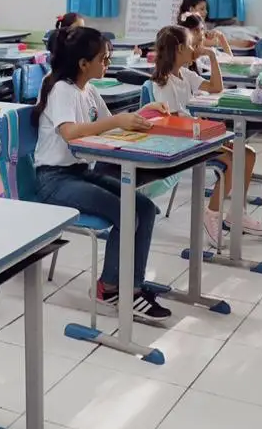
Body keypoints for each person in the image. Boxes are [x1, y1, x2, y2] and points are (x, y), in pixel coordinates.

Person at [32, 26, 171, 320]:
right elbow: (70, 133)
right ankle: (109, 289)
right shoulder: (61, 90)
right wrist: (117, 121)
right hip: (54, 179)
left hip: (79, 173)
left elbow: (114, 124)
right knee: (125, 212)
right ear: (84, 63)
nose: (108, 63)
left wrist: (147, 111)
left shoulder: (89, 90)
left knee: (144, 208)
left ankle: (132, 285)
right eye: (103, 58)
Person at [151, 24, 262, 244]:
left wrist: (213, 56)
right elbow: (174, 122)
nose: (196, 48)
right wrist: (202, 126)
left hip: (197, 134)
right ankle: (212, 213)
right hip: (183, 140)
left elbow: (216, 88)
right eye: (191, 45)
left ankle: (236, 213)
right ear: (178, 50)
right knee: (234, 159)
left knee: (248, 154)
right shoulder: (164, 82)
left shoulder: (184, 74)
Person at [178, 0, 250, 51]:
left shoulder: (203, 24)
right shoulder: (187, 24)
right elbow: (202, 41)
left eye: (206, 9)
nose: (206, 12)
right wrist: (235, 43)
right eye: (202, 9)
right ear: (191, 9)